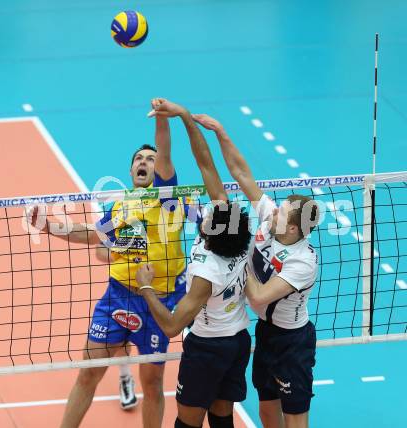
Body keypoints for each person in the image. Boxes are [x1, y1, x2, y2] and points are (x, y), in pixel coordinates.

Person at [30, 100, 188, 428]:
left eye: (150, 158)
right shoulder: (118, 208)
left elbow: (165, 153)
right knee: (88, 375)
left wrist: (162, 119)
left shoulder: (167, 198)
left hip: (155, 302)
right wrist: (49, 226)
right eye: (138, 160)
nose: (145, 162)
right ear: (131, 172)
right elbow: (92, 236)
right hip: (115, 297)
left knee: (153, 385)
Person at [193, 114, 319, 428]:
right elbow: (240, 171)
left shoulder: (302, 262)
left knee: (295, 418)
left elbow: (260, 295)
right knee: (266, 412)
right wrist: (221, 132)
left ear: (292, 227)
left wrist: (235, 257)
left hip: (292, 343)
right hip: (265, 334)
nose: (274, 208)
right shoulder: (269, 222)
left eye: (282, 211)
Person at [135, 99, 252, 428]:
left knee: (187, 423)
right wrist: (185, 116)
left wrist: (146, 287)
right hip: (239, 338)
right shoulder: (232, 237)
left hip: (207, 347)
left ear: (210, 233)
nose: (207, 208)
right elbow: (206, 164)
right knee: (221, 418)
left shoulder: (206, 271)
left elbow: (172, 327)